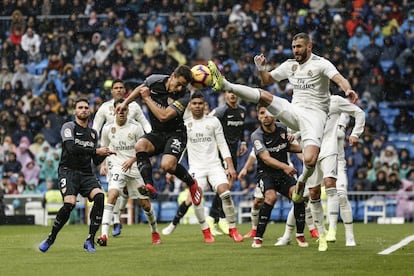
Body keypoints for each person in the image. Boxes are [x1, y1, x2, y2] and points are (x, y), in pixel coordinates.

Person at [207, 32, 358, 205]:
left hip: (315, 117)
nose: (296, 50)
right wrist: (261, 68)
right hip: (294, 111)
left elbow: (339, 78)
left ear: (309, 46)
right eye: (293, 47)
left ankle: (302, 180)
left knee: (309, 159)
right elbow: (267, 80)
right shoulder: (290, 65)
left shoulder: (321, 64)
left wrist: (347, 90)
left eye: (299, 46)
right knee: (265, 97)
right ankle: (225, 84)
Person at [162, 91, 243, 243]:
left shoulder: (213, 122)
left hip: (214, 166)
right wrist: (172, 169)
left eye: (200, 103)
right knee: (196, 198)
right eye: (194, 104)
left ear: (205, 105)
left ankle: (233, 229)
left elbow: (222, 144)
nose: (197, 106)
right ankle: (206, 231)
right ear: (190, 106)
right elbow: (181, 149)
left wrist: (230, 166)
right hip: (196, 168)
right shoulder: (185, 125)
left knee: (225, 193)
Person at [115, 65, 202, 206]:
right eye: (178, 84)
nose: (180, 88)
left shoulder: (185, 96)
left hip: (176, 134)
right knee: (140, 145)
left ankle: (192, 184)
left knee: (167, 166)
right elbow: (140, 89)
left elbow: (164, 116)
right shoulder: (155, 80)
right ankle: (149, 186)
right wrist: (125, 103)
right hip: (158, 133)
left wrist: (147, 99)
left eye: (183, 86)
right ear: (172, 75)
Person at [38, 98, 116, 253]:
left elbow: (95, 159)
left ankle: (90, 240)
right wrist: (96, 151)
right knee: (70, 204)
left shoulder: (93, 134)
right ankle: (51, 237)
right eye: (80, 107)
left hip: (86, 173)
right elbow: (71, 147)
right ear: (74, 111)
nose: (84, 110)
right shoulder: (68, 127)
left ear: (90, 111)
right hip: (68, 171)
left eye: (86, 107)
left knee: (100, 197)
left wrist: (105, 153)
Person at [305, 95, 365, 251]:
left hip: (338, 161)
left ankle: (348, 236)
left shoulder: (339, 110)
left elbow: (356, 111)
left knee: (342, 195)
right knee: (309, 195)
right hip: (319, 157)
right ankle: (315, 232)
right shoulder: (315, 113)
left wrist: (355, 133)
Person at [97, 99, 160, 246]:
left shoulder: (136, 128)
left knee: (145, 204)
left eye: (124, 109)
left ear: (128, 111)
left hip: (135, 167)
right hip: (117, 166)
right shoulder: (107, 128)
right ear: (113, 111)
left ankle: (154, 231)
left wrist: (133, 160)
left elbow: (146, 149)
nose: (121, 112)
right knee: (112, 195)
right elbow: (103, 147)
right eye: (118, 109)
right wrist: (103, 164)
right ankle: (104, 235)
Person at [93, 79, 151, 237]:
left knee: (128, 193)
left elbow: (146, 125)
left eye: (121, 88)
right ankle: (115, 221)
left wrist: (152, 141)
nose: (118, 90)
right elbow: (95, 129)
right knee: (114, 192)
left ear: (125, 90)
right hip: (114, 156)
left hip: (132, 153)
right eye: (116, 88)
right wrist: (101, 158)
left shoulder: (133, 106)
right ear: (111, 91)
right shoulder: (105, 107)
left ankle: (120, 221)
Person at [248, 105, 306, 248]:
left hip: (282, 173)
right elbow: (266, 158)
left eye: (268, 112)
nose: (265, 115)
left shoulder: (283, 128)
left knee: (298, 195)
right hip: (266, 173)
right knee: (270, 197)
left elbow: (288, 147)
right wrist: (286, 166)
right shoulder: (257, 135)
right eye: (262, 113)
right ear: (258, 116)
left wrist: (305, 147)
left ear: (274, 114)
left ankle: (300, 235)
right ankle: (258, 237)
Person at [206, 90, 248, 236]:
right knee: (225, 186)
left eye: (235, 93)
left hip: (233, 153)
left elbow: (241, 129)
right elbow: (207, 123)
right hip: (221, 154)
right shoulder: (220, 111)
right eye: (229, 92)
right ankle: (215, 218)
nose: (232, 95)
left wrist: (242, 141)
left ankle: (215, 218)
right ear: (225, 95)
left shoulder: (242, 111)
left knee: (228, 185)